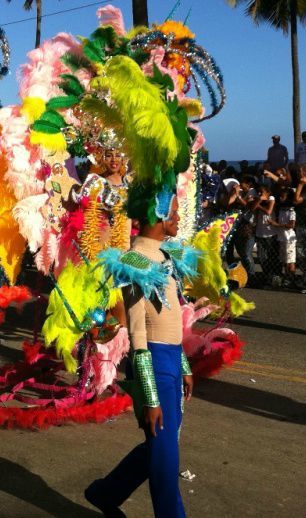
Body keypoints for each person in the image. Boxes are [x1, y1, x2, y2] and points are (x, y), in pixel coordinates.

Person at [85, 194, 193, 518]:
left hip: (172, 360)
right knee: (165, 460)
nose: (178, 218)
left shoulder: (166, 255)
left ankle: (105, 493)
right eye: (173, 213)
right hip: (153, 365)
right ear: (158, 215)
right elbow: (137, 330)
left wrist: (184, 363)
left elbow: (172, 317)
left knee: (161, 448)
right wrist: (149, 394)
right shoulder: (133, 261)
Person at [270, 186, 297, 285]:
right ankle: (286, 278)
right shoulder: (281, 210)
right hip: (282, 238)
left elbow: (291, 225)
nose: (281, 198)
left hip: (289, 238)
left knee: (290, 261)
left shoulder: (291, 211)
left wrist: (276, 224)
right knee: (284, 261)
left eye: (283, 196)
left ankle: (291, 279)